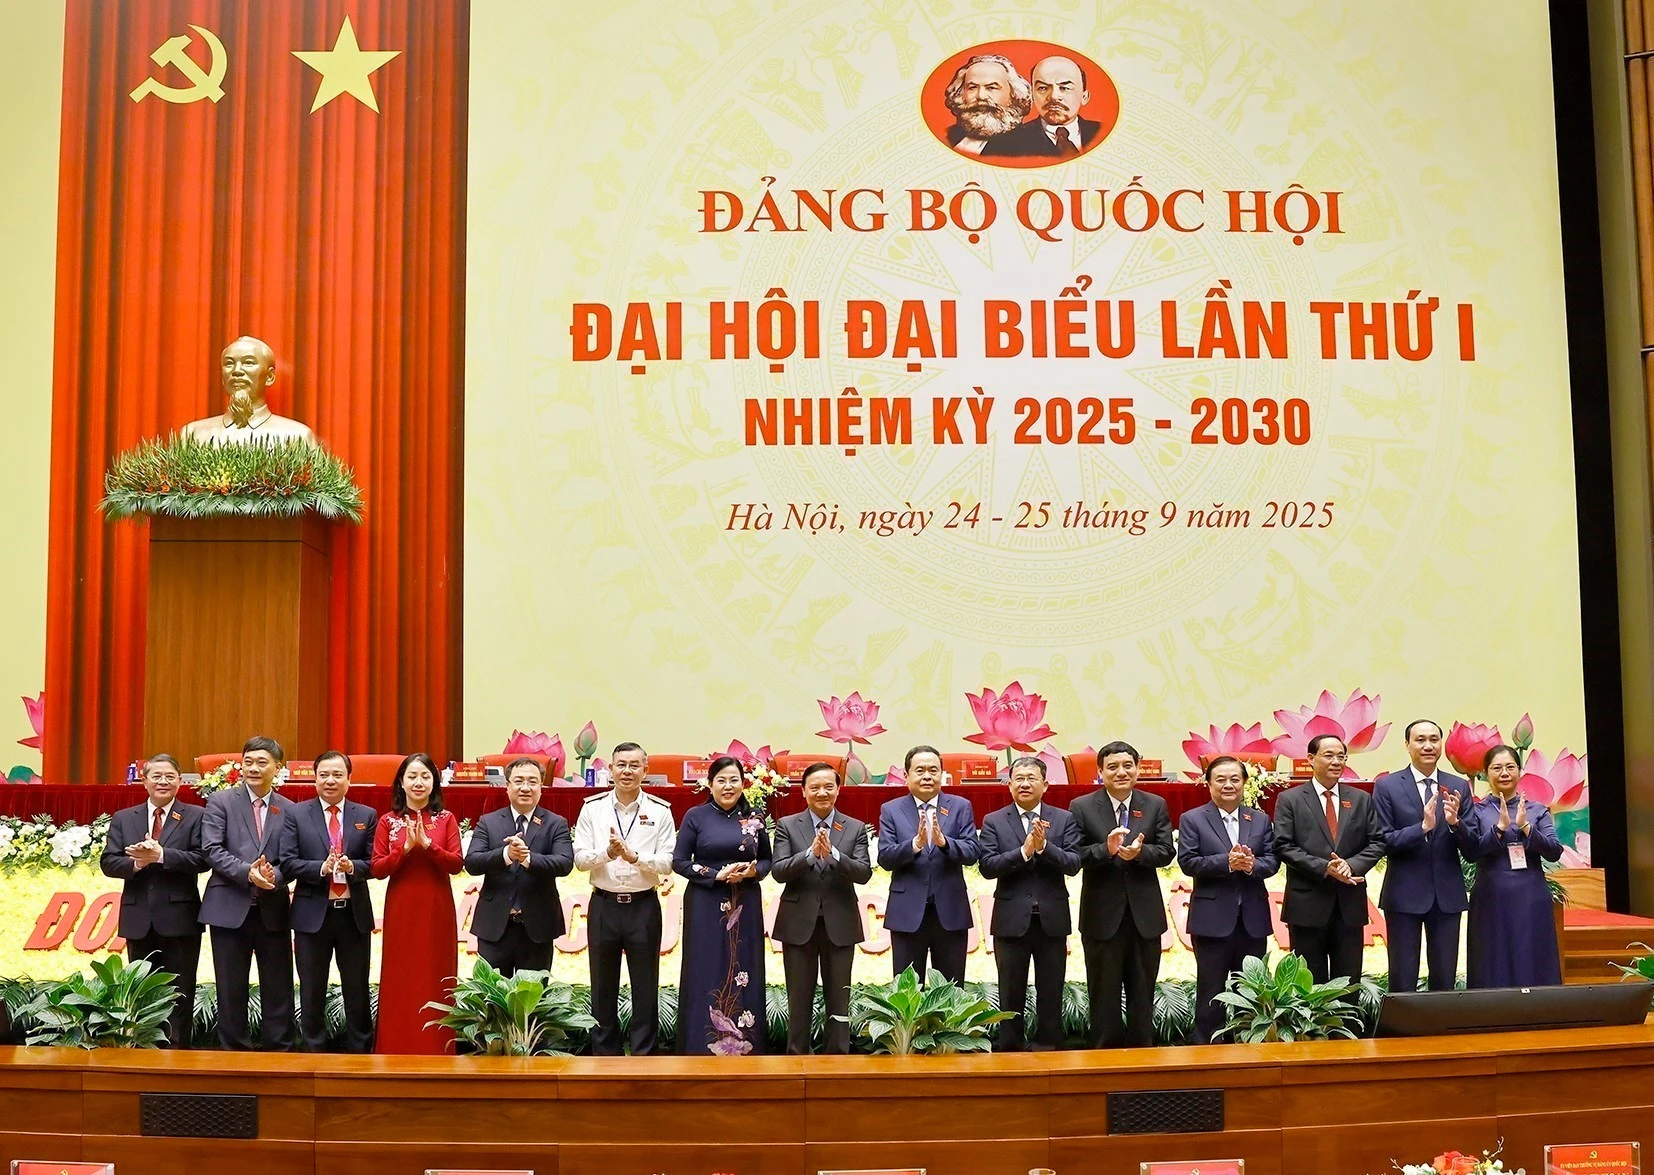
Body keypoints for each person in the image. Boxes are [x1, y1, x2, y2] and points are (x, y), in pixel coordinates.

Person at [573, 741, 678, 1055]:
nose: (627, 771)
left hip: (643, 906)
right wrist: (607, 853)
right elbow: (579, 859)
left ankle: (644, 1055)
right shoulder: (593, 808)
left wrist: (635, 858)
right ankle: (605, 1056)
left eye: (635, 765)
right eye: (621, 765)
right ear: (610, 769)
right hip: (603, 905)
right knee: (602, 986)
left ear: (646, 770)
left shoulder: (659, 812)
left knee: (645, 987)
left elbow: (668, 862)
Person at [1071, 740, 1175, 1048]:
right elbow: (1074, 855)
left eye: (1127, 765)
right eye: (1113, 767)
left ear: (1138, 768)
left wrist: (1140, 854)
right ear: (1100, 771)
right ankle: (1104, 1054)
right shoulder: (1083, 806)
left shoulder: (1154, 804)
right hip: (1101, 915)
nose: (1121, 772)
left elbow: (1167, 851)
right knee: (1103, 991)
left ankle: (1143, 1053)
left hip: (1144, 915)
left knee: (1142, 990)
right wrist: (1107, 849)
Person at [99, 753, 207, 1047]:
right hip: (138, 919)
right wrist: (137, 864)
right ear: (143, 780)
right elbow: (108, 862)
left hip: (180, 918)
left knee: (180, 991)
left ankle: (178, 1053)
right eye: (156, 776)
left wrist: (161, 855)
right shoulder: (124, 817)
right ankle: (145, 1051)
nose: (163, 781)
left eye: (170, 776)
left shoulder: (195, 815)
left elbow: (202, 858)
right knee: (142, 992)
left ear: (180, 782)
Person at [979, 755, 1082, 1050]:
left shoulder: (1064, 819)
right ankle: (1009, 1046)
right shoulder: (994, 821)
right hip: (1011, 919)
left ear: (1045, 784)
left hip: (1051, 919)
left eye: (1031, 778)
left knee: (1051, 987)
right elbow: (987, 866)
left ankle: (1049, 1044)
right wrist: (1023, 852)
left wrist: (1045, 847)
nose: (1024, 784)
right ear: (1009, 784)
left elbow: (1074, 864)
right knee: (1010, 989)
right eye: (1019, 779)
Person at [276, 750, 376, 1053]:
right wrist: (321, 868)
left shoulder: (366, 815)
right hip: (311, 914)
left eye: (337, 775)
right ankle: (313, 1052)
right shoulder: (296, 814)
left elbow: (374, 862)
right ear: (314, 778)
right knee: (312, 988)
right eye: (324, 775)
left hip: (353, 915)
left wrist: (352, 868)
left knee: (356, 987)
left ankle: (360, 1052)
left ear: (349, 778)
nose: (330, 781)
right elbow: (288, 862)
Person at [200, 735, 295, 1050]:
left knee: (278, 986)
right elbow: (211, 849)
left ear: (277, 767)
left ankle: (279, 1052)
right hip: (228, 908)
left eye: (262, 762)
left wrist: (274, 876)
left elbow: (292, 858)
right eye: (248, 761)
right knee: (231, 988)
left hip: (273, 909)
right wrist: (248, 873)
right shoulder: (220, 802)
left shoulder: (289, 809)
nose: (253, 768)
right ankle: (233, 1054)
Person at [770, 761, 872, 1054]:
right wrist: (809, 854)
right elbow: (779, 871)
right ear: (803, 792)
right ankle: (796, 1057)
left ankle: (837, 1059)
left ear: (838, 790)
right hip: (798, 923)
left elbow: (864, 873)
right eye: (814, 787)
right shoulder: (788, 825)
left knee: (839, 999)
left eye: (828, 786)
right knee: (798, 997)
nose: (822, 793)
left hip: (840, 923)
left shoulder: (854, 827)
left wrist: (835, 854)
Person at [674, 755, 773, 1054]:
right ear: (710, 784)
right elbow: (679, 862)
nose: (728, 786)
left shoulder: (755, 817)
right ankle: (698, 1047)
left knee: (743, 965)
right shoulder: (696, 816)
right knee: (705, 966)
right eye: (721, 780)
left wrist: (753, 871)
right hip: (706, 901)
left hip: (745, 901)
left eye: (734, 780)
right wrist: (716, 874)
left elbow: (768, 860)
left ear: (743, 784)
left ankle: (747, 1046)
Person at [1178, 755, 1279, 1044]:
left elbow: (1272, 861)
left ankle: (1249, 1044)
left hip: (1252, 920)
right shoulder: (1193, 818)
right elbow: (1188, 862)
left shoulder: (1259, 819)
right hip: (1211, 920)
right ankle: (1207, 1047)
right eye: (1220, 779)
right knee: (1211, 989)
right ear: (1208, 784)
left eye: (1235, 779)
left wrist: (1250, 866)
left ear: (1245, 783)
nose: (1228, 785)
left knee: (1250, 990)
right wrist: (1227, 862)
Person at [1272, 735, 1386, 985]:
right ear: (1310, 759)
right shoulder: (1290, 799)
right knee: (1307, 982)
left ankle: (1346, 1026)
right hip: (1307, 905)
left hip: (1349, 904)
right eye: (1329, 755)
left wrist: (1351, 865)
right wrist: (1324, 868)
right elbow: (1283, 845)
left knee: (1348, 981)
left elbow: (1377, 842)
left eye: (1341, 756)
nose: (1336, 761)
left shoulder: (1360, 799)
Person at [371, 753, 464, 1055]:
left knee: (435, 973)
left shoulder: (446, 819)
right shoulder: (388, 821)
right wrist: (405, 850)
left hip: (436, 907)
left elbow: (456, 864)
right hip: (401, 908)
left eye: (425, 776)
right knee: (402, 976)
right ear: (401, 782)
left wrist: (428, 846)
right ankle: (395, 1047)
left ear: (434, 782)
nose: (418, 782)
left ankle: (438, 1048)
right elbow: (378, 868)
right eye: (412, 776)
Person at [1373, 720, 1474, 992]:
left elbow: (1472, 848)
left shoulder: (1458, 786)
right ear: (1407, 745)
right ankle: (1402, 1033)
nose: (1428, 746)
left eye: (1434, 739)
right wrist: (1421, 829)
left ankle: (1441, 1032)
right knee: (1402, 976)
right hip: (1403, 895)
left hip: (1447, 895)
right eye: (1420, 740)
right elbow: (1383, 840)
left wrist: (1455, 824)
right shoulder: (1387, 786)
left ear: (1441, 744)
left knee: (1444, 977)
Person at [877, 745, 980, 984]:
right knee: (908, 992)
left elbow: (973, 852)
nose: (927, 776)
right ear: (906, 776)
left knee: (951, 990)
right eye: (920, 770)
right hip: (907, 913)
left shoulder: (959, 806)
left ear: (942, 774)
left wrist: (945, 843)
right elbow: (885, 857)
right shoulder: (891, 810)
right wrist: (914, 844)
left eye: (933, 770)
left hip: (950, 912)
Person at [464, 757, 575, 976]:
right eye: (519, 781)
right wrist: (506, 855)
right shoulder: (489, 821)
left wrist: (527, 859)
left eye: (532, 781)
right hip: (494, 926)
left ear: (541, 787)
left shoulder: (556, 823)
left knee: (531, 1002)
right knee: (493, 1001)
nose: (525, 787)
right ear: (507, 786)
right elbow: (472, 862)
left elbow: (564, 863)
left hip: (538, 927)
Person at [1464, 745, 1563, 987]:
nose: (1504, 773)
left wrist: (1526, 827)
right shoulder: (1477, 811)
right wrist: (1498, 829)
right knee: (1491, 953)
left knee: (1531, 951)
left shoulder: (1537, 810)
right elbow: (1472, 852)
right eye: (1497, 768)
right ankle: (1491, 1011)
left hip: (1530, 893)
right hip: (1490, 893)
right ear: (1486, 773)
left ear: (1520, 771)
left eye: (1510, 767)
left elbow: (1553, 851)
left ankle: (1538, 1009)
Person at [180, 335, 315, 443]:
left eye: (248, 362)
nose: (237, 371)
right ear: (222, 377)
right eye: (229, 363)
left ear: (270, 377)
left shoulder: (297, 438)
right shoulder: (193, 435)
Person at [982, 54, 1101, 159]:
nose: (1054, 96)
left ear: (1084, 97)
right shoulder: (1004, 144)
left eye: (1064, 88)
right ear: (1032, 95)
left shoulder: (1100, 133)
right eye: (1043, 88)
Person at [940, 53, 1032, 156]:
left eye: (991, 88)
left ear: (1014, 95)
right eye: (972, 87)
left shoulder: (1030, 146)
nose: (981, 96)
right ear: (961, 94)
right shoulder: (947, 137)